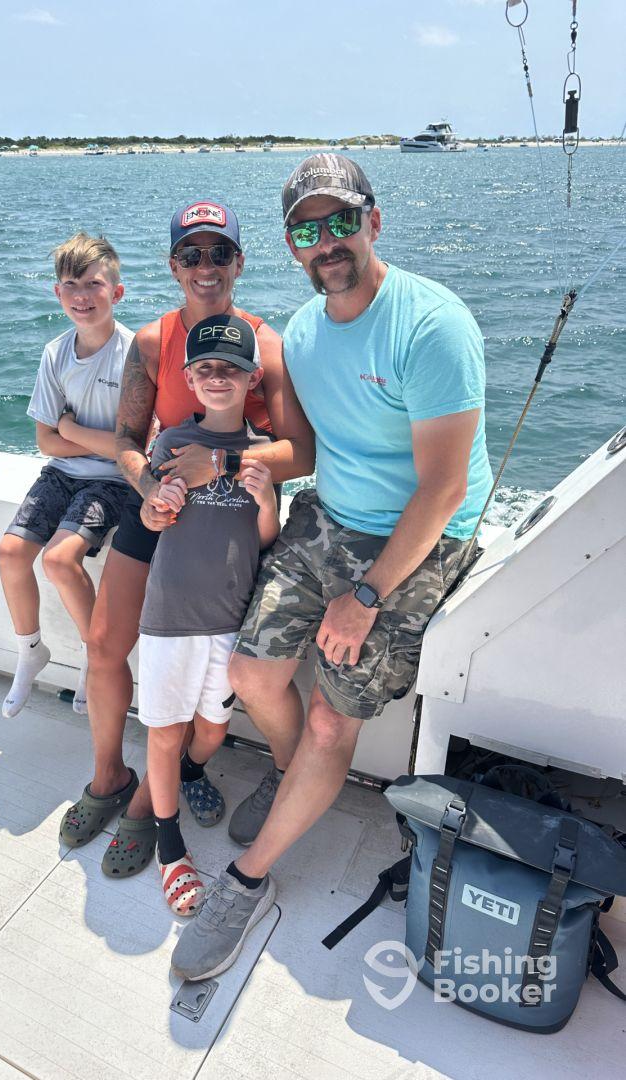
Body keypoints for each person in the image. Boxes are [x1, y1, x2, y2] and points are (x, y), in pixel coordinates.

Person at [171, 153, 493, 980]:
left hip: (417, 537)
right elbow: (298, 446)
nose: (327, 242)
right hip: (329, 516)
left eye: (341, 221)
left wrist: (365, 595)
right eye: (308, 230)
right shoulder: (303, 335)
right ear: (290, 246)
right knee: (249, 673)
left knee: (328, 719)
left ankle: (244, 883)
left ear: (373, 222)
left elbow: (445, 486)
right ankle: (289, 781)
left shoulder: (433, 324)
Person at [58, 201, 314, 877]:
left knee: (212, 685)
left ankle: (150, 800)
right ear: (173, 266)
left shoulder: (266, 343)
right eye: (192, 255)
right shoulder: (150, 343)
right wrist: (150, 491)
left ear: (239, 262)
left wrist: (225, 467)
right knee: (106, 643)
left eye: (219, 253)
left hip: (235, 521)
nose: (206, 267)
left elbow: (302, 451)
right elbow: (126, 441)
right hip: (162, 512)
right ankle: (109, 774)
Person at [140, 314, 280, 915]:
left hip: (230, 620)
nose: (218, 377)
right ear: (189, 380)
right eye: (205, 369)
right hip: (170, 616)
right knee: (165, 732)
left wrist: (268, 498)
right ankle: (170, 848)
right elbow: (152, 515)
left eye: (231, 368)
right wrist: (158, 505)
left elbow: (266, 538)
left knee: (213, 729)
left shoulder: (261, 454)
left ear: (252, 379)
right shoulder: (172, 443)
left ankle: (196, 773)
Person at [0, 233, 132, 719]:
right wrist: (91, 436)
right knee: (10, 552)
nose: (82, 295)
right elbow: (47, 442)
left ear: (116, 292)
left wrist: (73, 426)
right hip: (60, 472)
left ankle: (94, 660)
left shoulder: (136, 354)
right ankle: (30, 649)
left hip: (113, 482)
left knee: (58, 561)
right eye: (70, 284)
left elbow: (130, 448)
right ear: (57, 293)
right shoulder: (54, 354)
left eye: (94, 284)